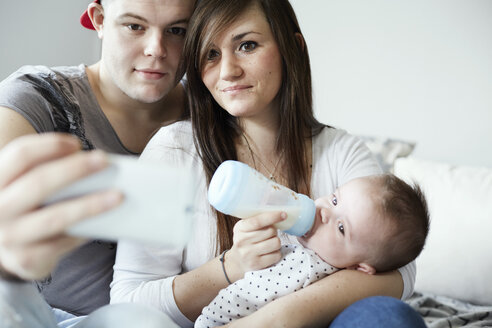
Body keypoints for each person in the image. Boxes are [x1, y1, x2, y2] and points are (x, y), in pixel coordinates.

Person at [111, 0, 427, 327]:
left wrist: (280, 317)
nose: (228, 71)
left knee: (388, 318)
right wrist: (230, 267)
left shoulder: (339, 150)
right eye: (211, 54)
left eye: (247, 45)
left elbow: (398, 266)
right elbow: (126, 304)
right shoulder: (174, 152)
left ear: (293, 47)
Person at [0, 0, 196, 325]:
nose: (156, 49)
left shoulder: (214, 109)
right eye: (135, 26)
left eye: (177, 30)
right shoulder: (36, 98)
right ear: (100, 20)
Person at [195, 174, 430, 327]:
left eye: (341, 228)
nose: (324, 212)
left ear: (359, 267)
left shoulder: (310, 268)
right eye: (335, 200)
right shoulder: (302, 247)